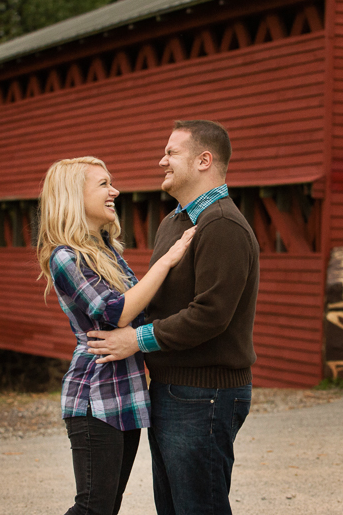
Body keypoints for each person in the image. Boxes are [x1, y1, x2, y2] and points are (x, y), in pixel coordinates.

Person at [86, 120, 260, 515]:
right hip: (171, 389)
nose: (161, 161)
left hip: (206, 395)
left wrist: (135, 339)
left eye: (171, 153)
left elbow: (210, 315)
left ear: (203, 160)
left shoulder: (222, 223)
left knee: (199, 508)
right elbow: (161, 301)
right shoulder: (174, 223)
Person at [36, 156, 195, 515]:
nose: (115, 191)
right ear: (74, 197)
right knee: (93, 507)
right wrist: (168, 261)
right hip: (95, 395)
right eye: (104, 184)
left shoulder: (107, 251)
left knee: (108, 507)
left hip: (128, 391)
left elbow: (141, 313)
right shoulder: (66, 256)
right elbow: (117, 311)